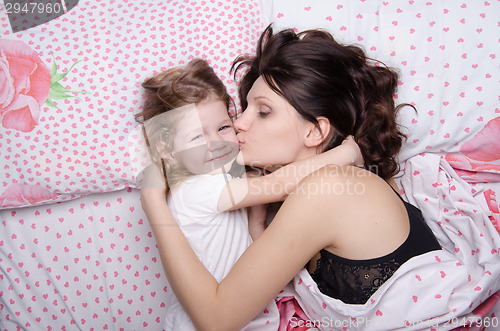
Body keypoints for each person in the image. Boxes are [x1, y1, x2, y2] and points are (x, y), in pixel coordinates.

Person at [139, 27, 444, 331]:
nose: (238, 124)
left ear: (315, 132)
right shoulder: (317, 193)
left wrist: (154, 206)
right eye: (243, 108)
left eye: (263, 112)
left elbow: (216, 320)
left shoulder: (329, 187)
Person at [135, 58, 363, 330]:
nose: (217, 143)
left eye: (223, 128)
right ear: (167, 151)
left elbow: (254, 244)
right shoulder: (197, 187)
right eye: (197, 137)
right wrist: (345, 154)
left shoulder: (224, 178)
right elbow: (279, 184)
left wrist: (256, 221)